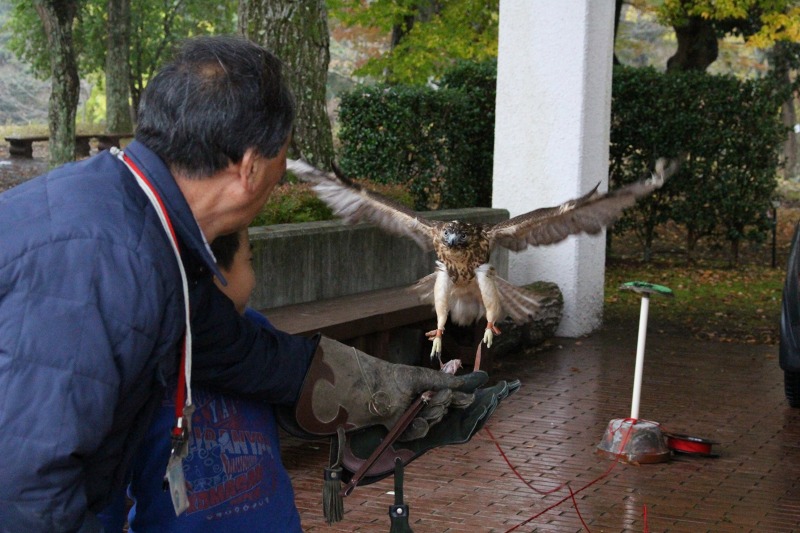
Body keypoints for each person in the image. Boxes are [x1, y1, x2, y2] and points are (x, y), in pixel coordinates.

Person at [0, 35, 513, 532]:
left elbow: (233, 349)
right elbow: (26, 490)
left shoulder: (145, 229)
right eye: (282, 155)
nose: (282, 173)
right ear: (250, 167)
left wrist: (383, 389)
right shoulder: (101, 256)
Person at [99, 228, 302, 531]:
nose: (253, 278)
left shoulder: (256, 332)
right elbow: (100, 494)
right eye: (249, 261)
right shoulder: (137, 352)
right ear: (212, 271)